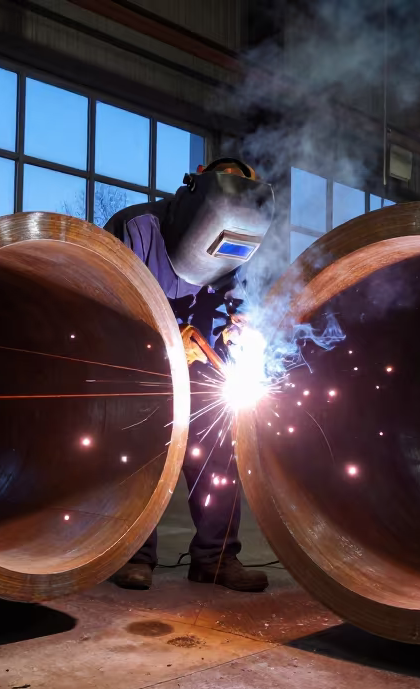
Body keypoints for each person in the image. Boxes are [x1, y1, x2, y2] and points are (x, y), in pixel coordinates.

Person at [102, 157, 275, 593]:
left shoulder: (242, 241)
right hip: (139, 369)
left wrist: (245, 329)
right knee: (142, 455)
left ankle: (216, 559)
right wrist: (161, 339)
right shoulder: (137, 227)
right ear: (196, 186)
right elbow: (107, 304)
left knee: (217, 456)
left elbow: (244, 302)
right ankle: (134, 555)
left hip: (203, 372)